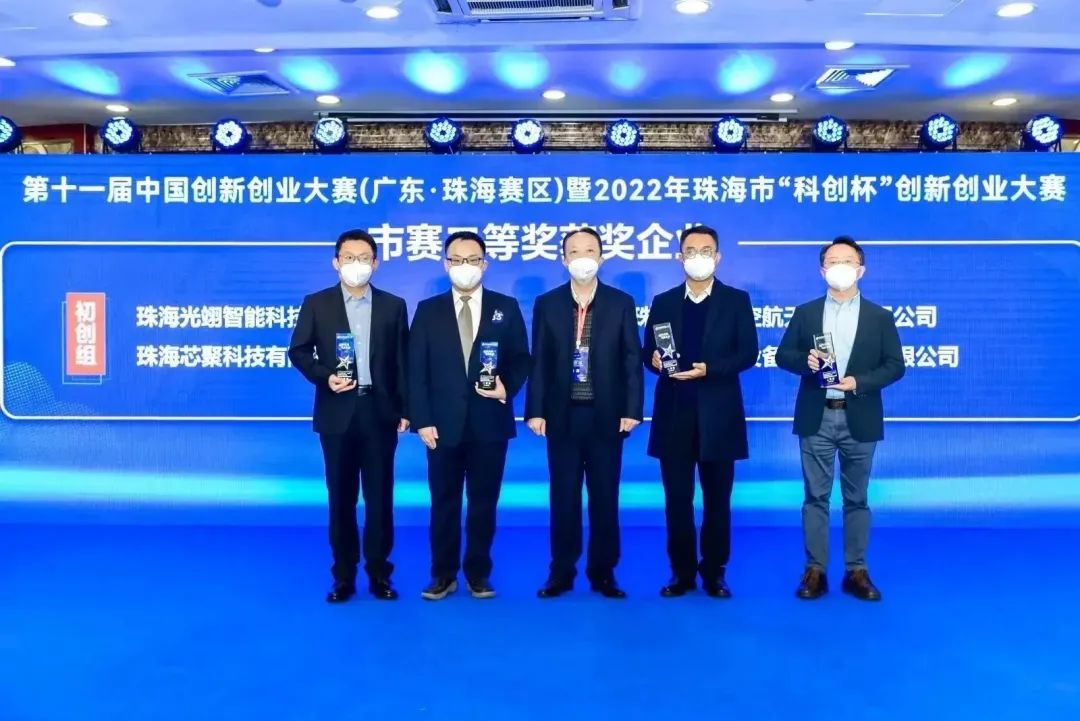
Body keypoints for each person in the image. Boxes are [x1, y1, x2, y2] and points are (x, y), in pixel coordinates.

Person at [776, 236, 905, 601]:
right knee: (815, 497)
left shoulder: (880, 317)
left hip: (859, 416)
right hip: (817, 416)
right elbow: (783, 355)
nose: (840, 267)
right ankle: (815, 570)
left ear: (861, 270)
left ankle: (856, 570)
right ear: (822, 271)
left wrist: (858, 382)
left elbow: (895, 366)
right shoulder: (806, 313)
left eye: (847, 261)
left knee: (857, 498)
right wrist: (806, 362)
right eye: (833, 261)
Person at [288, 229, 409, 603]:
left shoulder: (393, 306)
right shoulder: (317, 303)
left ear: (376, 263)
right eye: (349, 257)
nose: (357, 264)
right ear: (336, 262)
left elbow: (402, 361)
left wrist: (405, 409)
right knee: (341, 499)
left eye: (364, 258)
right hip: (336, 412)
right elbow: (299, 351)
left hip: (379, 413)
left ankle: (379, 575)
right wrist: (326, 377)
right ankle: (343, 577)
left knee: (380, 498)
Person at [409, 231, 531, 601]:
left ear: (485, 264)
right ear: (446, 264)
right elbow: (416, 369)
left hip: (489, 423)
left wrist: (506, 388)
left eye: (473, 260)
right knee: (443, 503)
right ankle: (442, 575)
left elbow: (521, 359)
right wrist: (422, 419)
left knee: (483, 503)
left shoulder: (505, 307)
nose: (465, 267)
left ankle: (478, 574)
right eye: (457, 260)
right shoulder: (428, 310)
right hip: (441, 426)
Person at [526, 227, 644, 599]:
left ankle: (603, 572)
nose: (582, 258)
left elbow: (631, 359)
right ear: (564, 259)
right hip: (562, 416)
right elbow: (539, 360)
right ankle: (561, 572)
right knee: (563, 497)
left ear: (602, 257)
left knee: (605, 497)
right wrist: (535, 410)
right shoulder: (547, 303)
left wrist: (632, 408)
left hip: (607, 416)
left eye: (590, 250)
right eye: (574, 251)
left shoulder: (620, 302)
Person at [642, 225, 758, 599]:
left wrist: (711, 369)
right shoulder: (663, 301)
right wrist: (653, 359)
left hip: (719, 417)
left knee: (717, 501)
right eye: (690, 251)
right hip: (674, 415)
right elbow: (647, 352)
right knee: (677, 501)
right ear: (680, 257)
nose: (698, 257)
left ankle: (714, 572)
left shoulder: (736, 300)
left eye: (706, 250)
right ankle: (681, 573)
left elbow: (748, 353)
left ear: (718, 257)